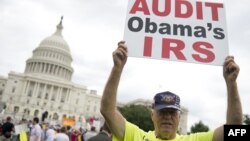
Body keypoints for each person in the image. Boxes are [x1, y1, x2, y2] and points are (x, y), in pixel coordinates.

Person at [100, 41, 242, 141]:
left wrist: (231, 84)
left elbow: (235, 130)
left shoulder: (194, 139)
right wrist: (117, 69)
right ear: (152, 115)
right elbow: (107, 110)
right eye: (162, 112)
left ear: (179, 118)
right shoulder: (136, 136)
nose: (167, 117)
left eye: (172, 113)